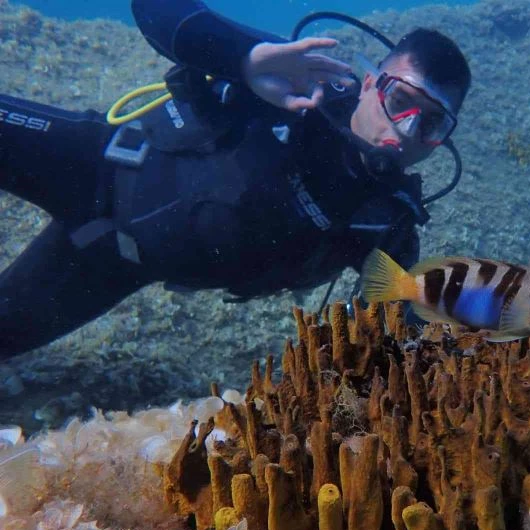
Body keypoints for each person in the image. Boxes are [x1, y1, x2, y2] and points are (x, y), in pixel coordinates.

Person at [0, 0, 471, 359]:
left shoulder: (385, 223)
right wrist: (242, 58)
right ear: (371, 83)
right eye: (401, 100)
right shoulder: (296, 79)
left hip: (111, 266)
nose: (406, 130)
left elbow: (395, 317)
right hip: (96, 165)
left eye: (432, 124)